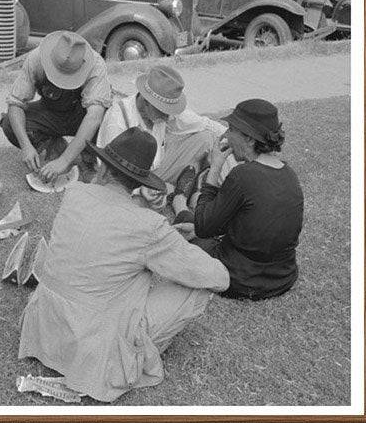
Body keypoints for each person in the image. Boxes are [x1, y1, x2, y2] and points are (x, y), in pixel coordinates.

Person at [18, 128, 229, 403]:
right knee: (197, 288)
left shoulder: (74, 193)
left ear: (103, 166)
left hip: (45, 327)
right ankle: (136, 354)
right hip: (95, 348)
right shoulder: (149, 226)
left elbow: (105, 210)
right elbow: (218, 278)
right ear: (139, 181)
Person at [192, 98, 304, 300]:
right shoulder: (289, 173)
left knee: (189, 237)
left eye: (231, 129)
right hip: (283, 277)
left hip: (240, 279)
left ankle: (181, 199)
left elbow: (203, 226)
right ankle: (183, 201)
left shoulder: (242, 175)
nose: (225, 135)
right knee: (193, 223)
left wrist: (215, 168)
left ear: (250, 139)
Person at [95, 64, 225, 208]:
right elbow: (109, 172)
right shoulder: (118, 120)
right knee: (136, 201)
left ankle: (183, 188)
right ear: (146, 102)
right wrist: (141, 189)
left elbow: (204, 123)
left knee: (206, 138)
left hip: (154, 171)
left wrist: (235, 134)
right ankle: (179, 193)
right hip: (126, 178)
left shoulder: (161, 113)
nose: (167, 115)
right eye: (163, 111)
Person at [0, 30, 111, 184]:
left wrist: (64, 161)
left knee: (105, 118)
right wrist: (26, 146)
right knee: (8, 123)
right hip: (50, 112)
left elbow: (94, 117)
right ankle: (53, 148)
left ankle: (87, 161)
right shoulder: (36, 58)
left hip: (81, 115)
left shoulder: (96, 65)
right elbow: (15, 103)